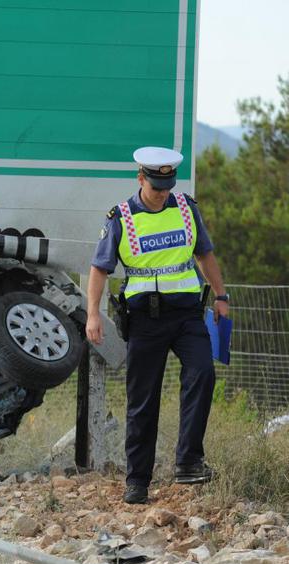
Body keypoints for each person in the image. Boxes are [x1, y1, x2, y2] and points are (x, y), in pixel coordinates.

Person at [85, 147, 229, 505]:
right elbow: (99, 269)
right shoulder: (120, 217)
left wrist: (222, 297)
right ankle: (137, 481)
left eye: (167, 184)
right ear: (140, 178)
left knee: (202, 374)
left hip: (186, 316)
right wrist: (92, 313)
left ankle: (189, 462)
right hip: (145, 320)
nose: (162, 192)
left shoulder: (186, 208)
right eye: (156, 185)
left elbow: (204, 254)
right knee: (142, 401)